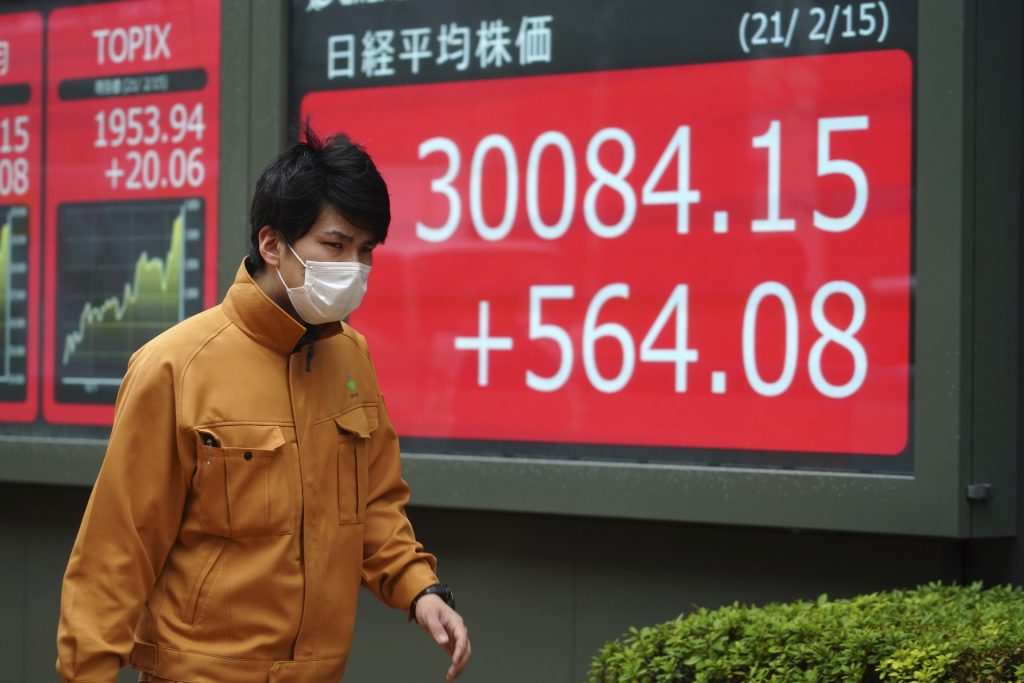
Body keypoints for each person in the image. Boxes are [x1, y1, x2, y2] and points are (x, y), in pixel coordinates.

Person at [55, 124, 471, 683]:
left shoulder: (351, 357)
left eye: (365, 249)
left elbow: (374, 506)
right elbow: (116, 551)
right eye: (335, 244)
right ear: (273, 244)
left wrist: (421, 590)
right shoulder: (175, 367)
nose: (353, 266)